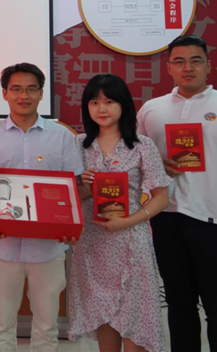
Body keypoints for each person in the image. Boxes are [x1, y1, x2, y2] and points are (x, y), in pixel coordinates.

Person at [137, 35, 217, 352]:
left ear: (208, 65)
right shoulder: (151, 110)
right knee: (179, 305)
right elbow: (135, 162)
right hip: (166, 219)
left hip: (214, 221)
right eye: (179, 61)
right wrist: (156, 166)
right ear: (169, 68)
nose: (188, 68)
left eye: (196, 60)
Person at [0, 62, 83, 352]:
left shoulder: (62, 136)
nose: (24, 96)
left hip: (49, 248)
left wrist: (69, 224)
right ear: (5, 93)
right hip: (3, 245)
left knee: (47, 325)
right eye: (17, 89)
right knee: (2, 323)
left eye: (31, 89)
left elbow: (74, 187)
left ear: (41, 93)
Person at [67, 74, 171, 352]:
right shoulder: (78, 145)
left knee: (135, 318)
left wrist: (127, 222)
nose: (101, 109)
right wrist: (84, 188)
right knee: (103, 314)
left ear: (123, 104)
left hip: (131, 242)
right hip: (92, 245)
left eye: (109, 101)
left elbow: (161, 198)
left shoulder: (141, 146)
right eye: (94, 102)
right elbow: (68, 198)